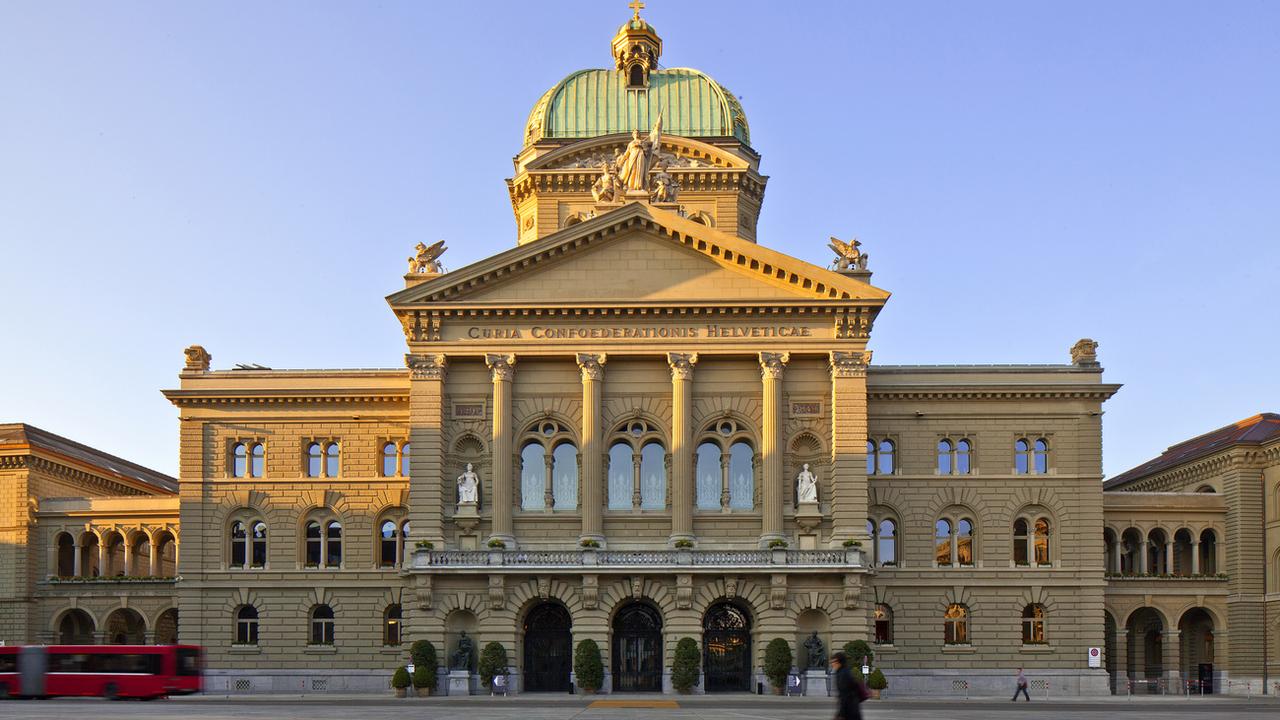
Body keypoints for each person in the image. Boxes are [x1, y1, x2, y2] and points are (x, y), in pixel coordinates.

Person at [830, 651, 866, 720]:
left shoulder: (843, 674)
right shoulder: (843, 671)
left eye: (834, 662)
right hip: (852, 708)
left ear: (839, 662)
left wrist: (841, 714)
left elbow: (844, 695)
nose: (832, 664)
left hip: (849, 710)